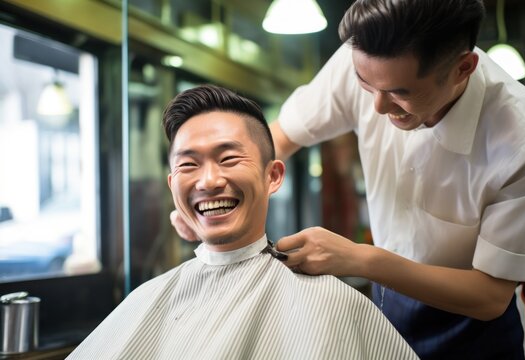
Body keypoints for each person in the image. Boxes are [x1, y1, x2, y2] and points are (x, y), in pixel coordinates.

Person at [171, 1, 525, 358]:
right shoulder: (363, 57)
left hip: (478, 324)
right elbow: (275, 141)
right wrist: (207, 197)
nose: (377, 107)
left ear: (463, 68)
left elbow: (489, 297)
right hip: (388, 298)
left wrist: (359, 260)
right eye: (365, 84)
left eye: (400, 92)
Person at [68, 85, 418, 359]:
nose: (208, 181)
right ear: (173, 186)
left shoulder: (331, 303)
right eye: (189, 165)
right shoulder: (145, 300)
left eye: (229, 158)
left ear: (274, 176)